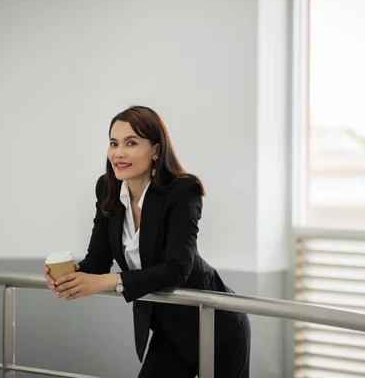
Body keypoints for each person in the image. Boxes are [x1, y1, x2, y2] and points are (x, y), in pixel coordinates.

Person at [43, 105, 251, 377]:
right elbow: (98, 258)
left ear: (156, 150)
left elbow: (178, 268)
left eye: (131, 143)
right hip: (168, 329)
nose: (118, 152)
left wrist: (107, 282)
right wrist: (73, 274)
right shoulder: (107, 188)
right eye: (113, 143)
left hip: (215, 324)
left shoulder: (183, 190)